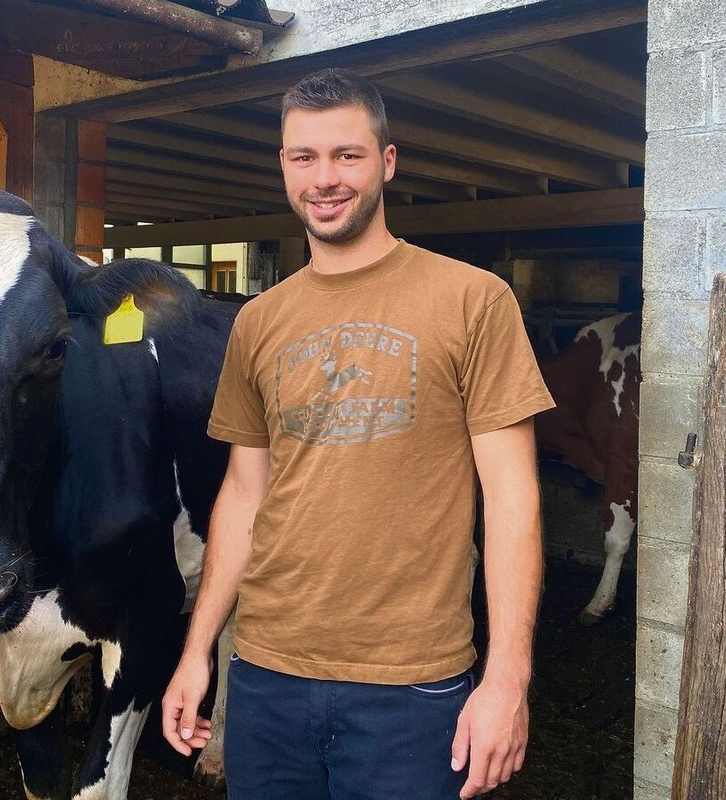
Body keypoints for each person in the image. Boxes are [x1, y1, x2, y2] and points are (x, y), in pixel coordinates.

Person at [160, 67, 554, 800]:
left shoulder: (474, 300)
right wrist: (197, 651)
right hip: (266, 675)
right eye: (304, 157)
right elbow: (243, 496)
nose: (325, 179)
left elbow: (512, 499)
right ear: (284, 166)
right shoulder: (257, 322)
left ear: (387, 162)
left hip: (412, 684)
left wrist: (507, 679)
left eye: (348, 155)